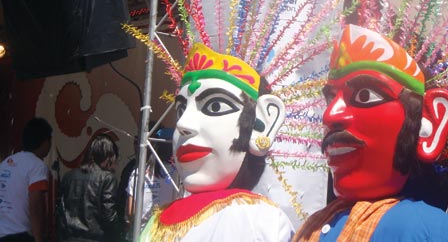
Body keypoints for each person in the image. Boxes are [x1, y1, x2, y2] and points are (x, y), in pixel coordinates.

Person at [294, 24, 448, 241]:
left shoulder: (432, 231)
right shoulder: (316, 224)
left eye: (365, 95)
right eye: (330, 99)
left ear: (429, 124)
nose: (330, 115)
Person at [139, 43, 293, 241]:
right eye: (181, 110)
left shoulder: (259, 220)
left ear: (262, 125)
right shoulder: (159, 221)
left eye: (215, 106)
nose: (183, 124)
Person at [57, 134, 119, 242]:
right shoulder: (107, 179)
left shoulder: (68, 176)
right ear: (109, 156)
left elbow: (60, 211)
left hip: (70, 237)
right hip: (96, 238)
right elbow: (109, 216)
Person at [0, 117, 52, 242]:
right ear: (45, 142)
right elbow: (36, 203)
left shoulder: (6, 163)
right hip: (21, 235)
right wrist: (38, 237)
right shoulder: (37, 165)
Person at [125, 129, 177, 231]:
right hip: (166, 232)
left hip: (142, 233)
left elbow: (131, 211)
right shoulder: (178, 174)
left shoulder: (138, 172)